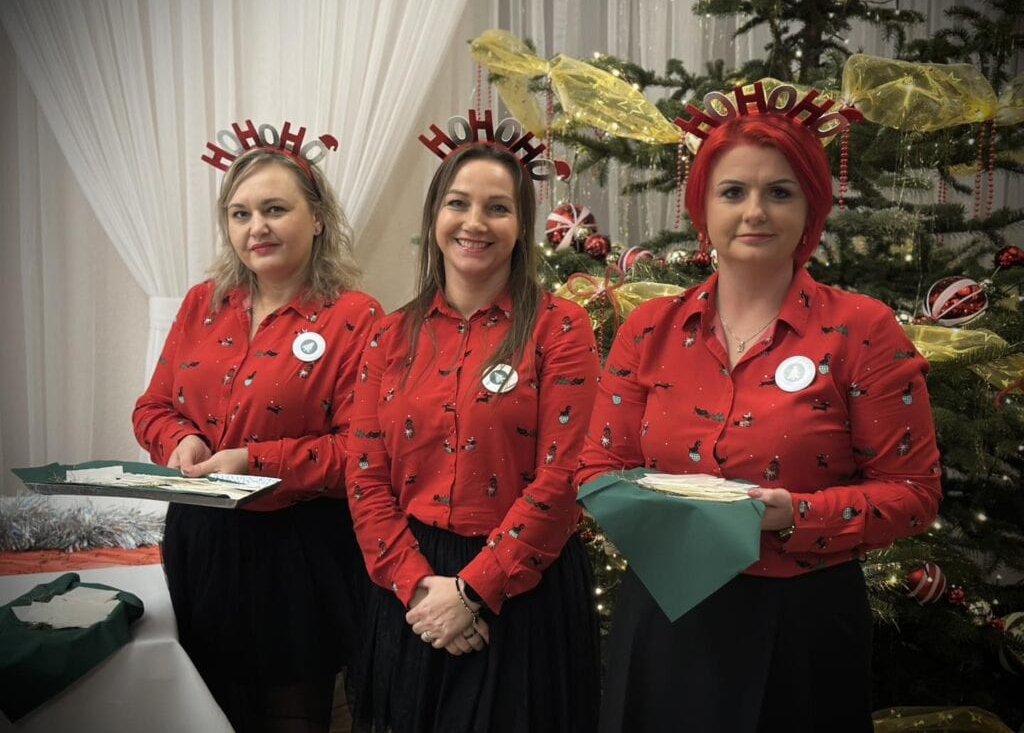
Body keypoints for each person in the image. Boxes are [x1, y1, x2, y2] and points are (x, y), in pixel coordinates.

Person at [576, 91, 942, 733]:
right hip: (664, 613)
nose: (754, 212)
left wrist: (794, 514)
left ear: (810, 209)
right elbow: (598, 468)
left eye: (779, 192)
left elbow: (913, 494)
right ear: (702, 208)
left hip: (801, 622)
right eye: (733, 192)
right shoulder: (649, 328)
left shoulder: (863, 330)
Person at [345, 137, 601, 733]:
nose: (475, 223)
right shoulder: (389, 336)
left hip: (523, 588)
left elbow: (564, 477)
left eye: (498, 208)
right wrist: (420, 589)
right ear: (435, 215)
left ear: (522, 225)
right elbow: (364, 478)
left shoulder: (561, 329)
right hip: (412, 586)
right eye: (458, 203)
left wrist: (472, 593)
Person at [133, 144, 381, 732]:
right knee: (204, 711)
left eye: (274, 209)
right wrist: (179, 441)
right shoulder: (202, 303)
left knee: (290, 716)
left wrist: (254, 461)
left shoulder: (356, 318)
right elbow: (152, 407)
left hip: (297, 551)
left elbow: (361, 451)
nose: (256, 228)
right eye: (240, 214)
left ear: (317, 218)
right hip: (201, 540)